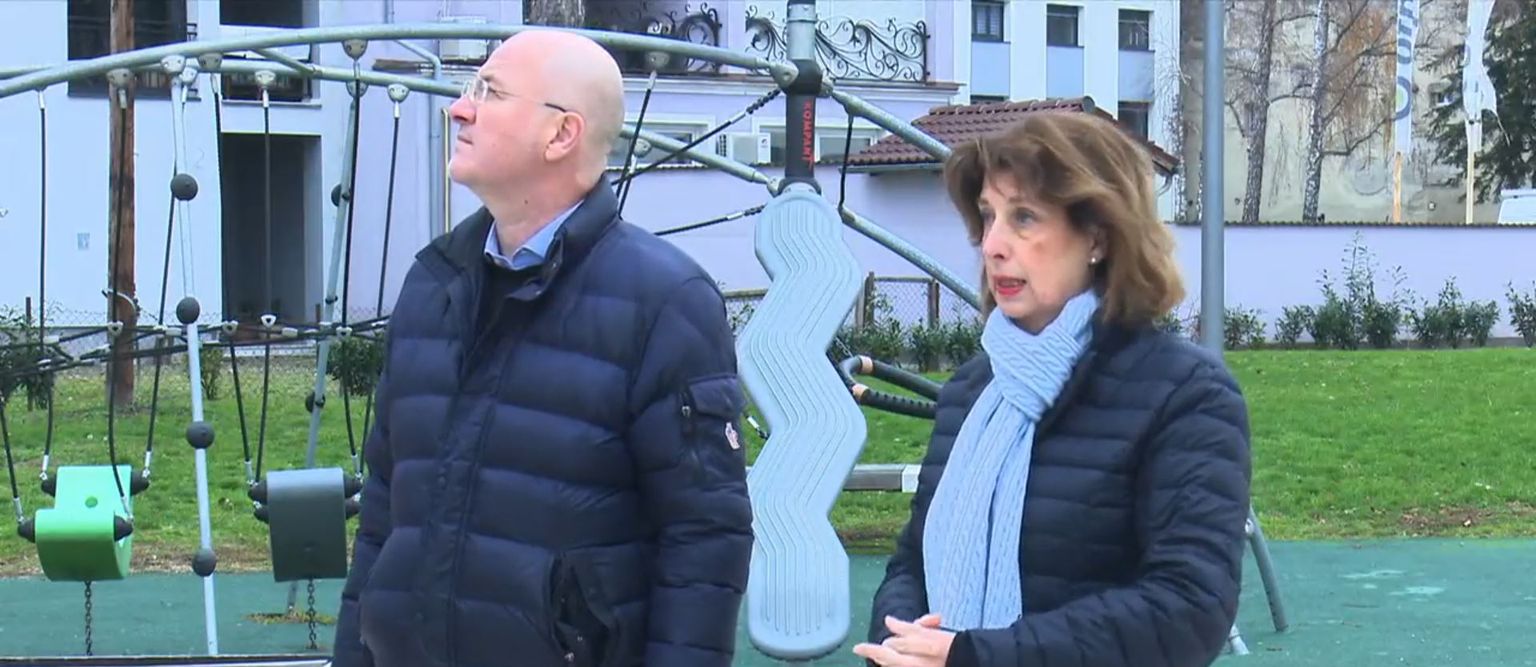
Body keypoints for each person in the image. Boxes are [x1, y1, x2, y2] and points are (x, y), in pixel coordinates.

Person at [331, 29, 754, 667]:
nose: (459, 108)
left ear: (562, 135)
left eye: (490, 92)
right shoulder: (433, 284)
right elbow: (385, 512)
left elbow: (703, 541)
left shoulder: (664, 301)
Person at [853, 111, 1252, 667]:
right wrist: (899, 642)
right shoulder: (975, 391)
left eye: (1024, 218)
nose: (992, 244)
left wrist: (977, 657)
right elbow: (912, 563)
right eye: (988, 217)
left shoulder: (1184, 393)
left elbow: (1188, 609)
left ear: (1098, 237)